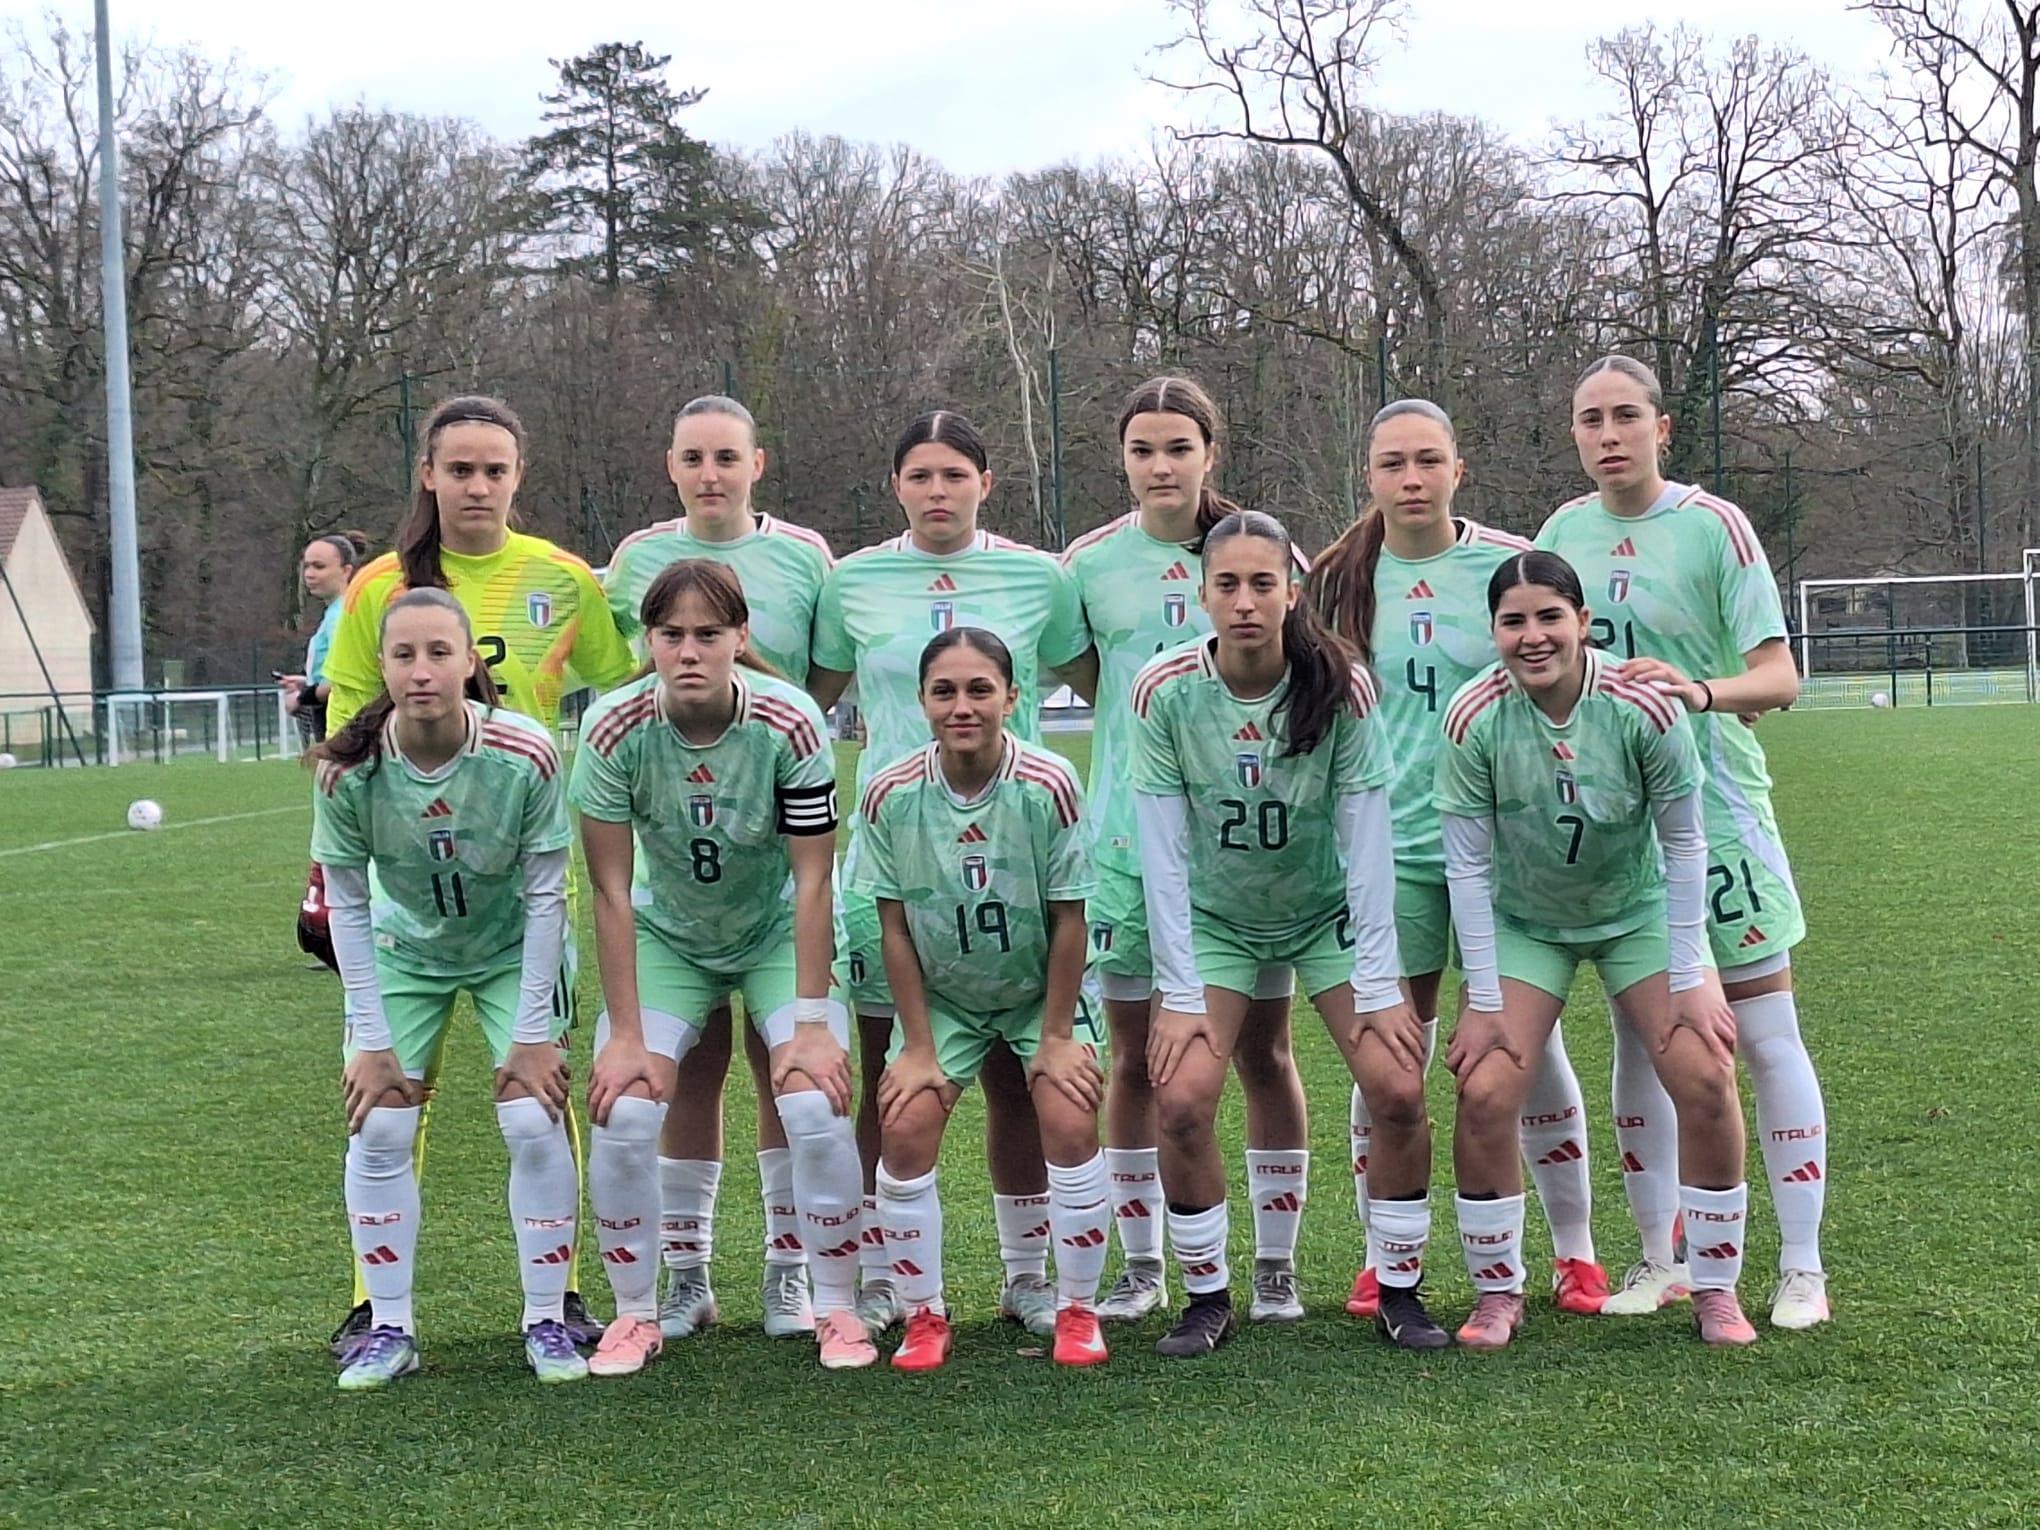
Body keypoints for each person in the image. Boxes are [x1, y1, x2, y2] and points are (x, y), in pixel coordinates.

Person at [321, 394, 638, 1358]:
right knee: (383, 1114)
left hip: (518, 854)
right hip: (410, 869)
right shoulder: (378, 584)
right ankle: (380, 1312)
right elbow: (345, 715)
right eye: (459, 468)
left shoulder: (560, 576)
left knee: (532, 1102)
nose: (477, 484)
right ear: (429, 474)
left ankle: (559, 1298)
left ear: (517, 476)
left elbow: (617, 685)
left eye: (494, 468)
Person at [1537, 355, 1828, 1330]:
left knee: (1761, 1033)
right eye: (1590, 419)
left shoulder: (1713, 526)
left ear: (1663, 429)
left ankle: (1802, 1267)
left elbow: (1780, 679)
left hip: (1722, 817)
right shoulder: (1563, 536)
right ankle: (1661, 1260)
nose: (1608, 433)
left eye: (1627, 416)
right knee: (1640, 1037)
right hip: (1622, 831)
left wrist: (1698, 693)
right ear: (1574, 435)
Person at [1306, 400, 1609, 1321]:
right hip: (1389, 848)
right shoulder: (1334, 578)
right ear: (1370, 476)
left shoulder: (1504, 565)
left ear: (1457, 469)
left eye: (1427, 461)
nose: (1411, 479)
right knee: (1391, 1052)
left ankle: (1575, 1251)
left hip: (1502, 844)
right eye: (1393, 463)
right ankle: (1382, 1251)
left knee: (1526, 1047)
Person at [809, 410, 1094, 1339]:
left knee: (1021, 1079)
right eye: (920, 475)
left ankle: (1026, 1277)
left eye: (955, 475)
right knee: (893, 1072)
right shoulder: (849, 580)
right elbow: (804, 705)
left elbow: (1098, 679)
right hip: (897, 857)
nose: (938, 491)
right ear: (896, 485)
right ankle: (879, 1278)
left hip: (1014, 851)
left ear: (986, 482)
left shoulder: (1038, 577)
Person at [1436, 550, 1758, 1348]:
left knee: (1705, 1073)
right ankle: (1497, 1290)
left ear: (1583, 622)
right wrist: (1482, 1001)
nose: (1532, 635)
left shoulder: (1643, 707)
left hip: (1634, 911)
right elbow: (1467, 866)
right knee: (1483, 1090)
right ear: (1494, 632)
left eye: (1550, 616)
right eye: (1513, 621)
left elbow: (1686, 846)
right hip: (1526, 921)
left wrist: (1690, 977)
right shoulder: (1473, 716)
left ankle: (1715, 1285)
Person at [1132, 510, 1433, 1356]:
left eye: (1263, 583)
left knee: (1399, 1089)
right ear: (1202, 594)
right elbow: (1162, 853)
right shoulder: (1165, 691)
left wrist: (1379, 981)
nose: (1245, 601)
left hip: (1325, 916)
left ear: (1291, 592)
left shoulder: (1342, 684)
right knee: (1184, 1099)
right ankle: (1207, 1296)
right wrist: (1181, 990)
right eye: (1227, 584)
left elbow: (1369, 843)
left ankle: (1400, 1290)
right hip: (1219, 921)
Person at [570, 560, 873, 1373]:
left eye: (709, 634)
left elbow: (813, 879)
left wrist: (810, 1026)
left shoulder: (794, 721)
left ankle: (819, 1296)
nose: (690, 652)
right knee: (626, 1106)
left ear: (741, 638)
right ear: (650, 642)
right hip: (671, 937)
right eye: (672, 635)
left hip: (777, 929)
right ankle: (655, 1302)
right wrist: (625, 1033)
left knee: (813, 1100)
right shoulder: (610, 730)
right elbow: (608, 887)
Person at [1061, 376, 1314, 1325]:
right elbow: (1093, 677)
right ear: (1122, 461)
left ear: (1214, 451)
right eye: (1141, 450)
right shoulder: (1088, 564)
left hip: (1254, 843)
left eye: (1178, 447)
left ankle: (1277, 1265)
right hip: (1132, 841)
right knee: (1137, 1061)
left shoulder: (1261, 549)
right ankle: (1144, 1263)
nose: (1160, 467)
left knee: (1263, 1051)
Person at [602, 396, 837, 1343]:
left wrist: (763, 737)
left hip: (769, 870)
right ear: (671, 464)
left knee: (787, 1071)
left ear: (757, 463)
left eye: (726, 456)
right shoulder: (630, 564)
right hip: (677, 893)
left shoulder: (807, 558)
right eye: (693, 456)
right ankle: (686, 1272)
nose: (710, 472)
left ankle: (790, 1273)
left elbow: (819, 676)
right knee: (683, 1074)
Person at [310, 588, 584, 1388]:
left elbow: (545, 896)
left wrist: (534, 1034)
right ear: (382, 668)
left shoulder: (525, 753)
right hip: (405, 954)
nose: (422, 670)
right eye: (403, 655)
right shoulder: (348, 772)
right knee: (381, 1126)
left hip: (510, 950)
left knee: (534, 1117)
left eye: (439, 653)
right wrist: (370, 1036)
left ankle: (547, 1318)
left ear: (472, 663)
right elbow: (350, 906)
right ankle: (388, 1326)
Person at [857, 627, 1110, 1371]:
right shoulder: (891, 792)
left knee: (1066, 1113)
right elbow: (894, 924)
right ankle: (924, 1316)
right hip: (947, 998)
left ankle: (1076, 1308)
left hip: (1041, 991)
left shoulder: (1049, 783)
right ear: (922, 702)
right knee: (902, 1124)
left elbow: (1070, 914)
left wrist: (1059, 1034)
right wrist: (919, 1048)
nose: (962, 706)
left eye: (979, 689)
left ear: (1012, 698)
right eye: (945, 691)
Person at [282, 531, 368, 744]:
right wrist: (309, 681)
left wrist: (301, 698)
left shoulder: (342, 616)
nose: (309, 574)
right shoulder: (335, 613)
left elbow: (340, 681)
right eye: (307, 566)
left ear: (346, 571)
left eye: (319, 567)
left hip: (344, 723)